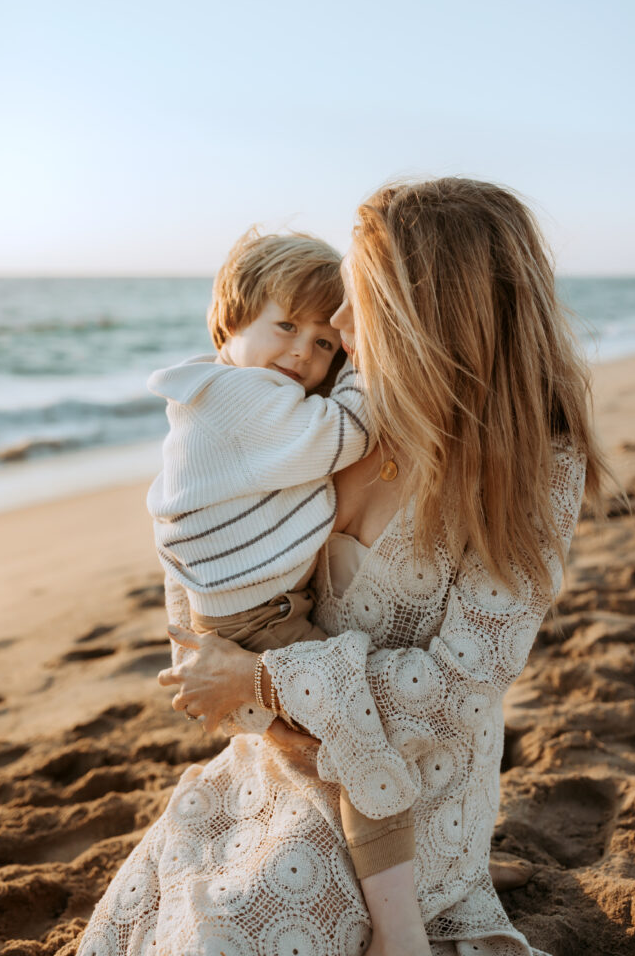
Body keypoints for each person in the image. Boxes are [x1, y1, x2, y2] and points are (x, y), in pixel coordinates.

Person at [77, 178, 609, 956]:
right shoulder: (311, 418)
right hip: (279, 759)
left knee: (228, 933)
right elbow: (209, 610)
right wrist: (239, 683)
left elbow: (459, 693)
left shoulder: (535, 468)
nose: (333, 325)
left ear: (428, 311)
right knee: (152, 915)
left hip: (413, 785)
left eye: (359, 297)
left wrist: (260, 681)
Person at [145, 227, 428, 953]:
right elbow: (343, 433)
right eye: (284, 327)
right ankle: (401, 931)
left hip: (245, 607)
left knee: (317, 753)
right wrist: (365, 361)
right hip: (263, 619)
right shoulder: (239, 398)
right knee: (365, 749)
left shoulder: (224, 397)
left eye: (325, 342)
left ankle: (412, 877)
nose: (304, 350)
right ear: (229, 323)